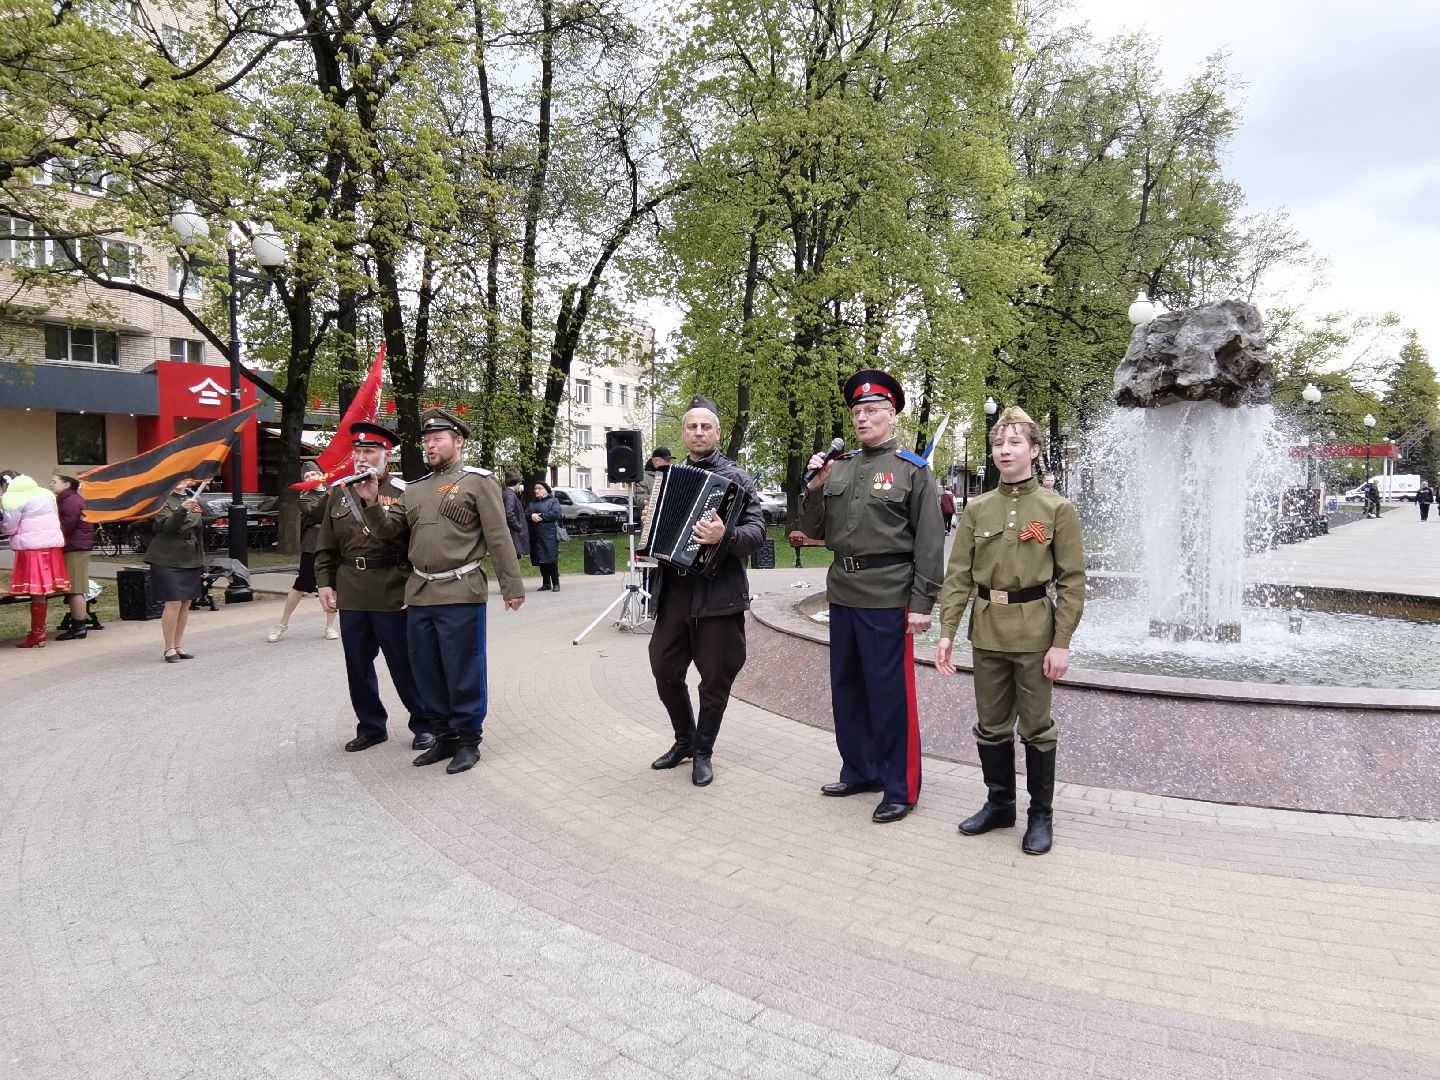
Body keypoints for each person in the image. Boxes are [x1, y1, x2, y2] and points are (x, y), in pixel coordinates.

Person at [934, 406, 1085, 856]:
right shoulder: (978, 509)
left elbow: (1072, 582)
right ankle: (1000, 803)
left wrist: (1061, 643)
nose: (1004, 450)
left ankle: (1041, 815)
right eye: (999, 443)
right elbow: (958, 575)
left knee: (1037, 728)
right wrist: (947, 631)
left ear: (1034, 450)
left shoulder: (1056, 509)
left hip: (1035, 633)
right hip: (987, 632)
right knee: (991, 725)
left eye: (1014, 442)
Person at [796, 370, 945, 823]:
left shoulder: (913, 471)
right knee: (848, 688)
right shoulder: (838, 468)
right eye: (857, 412)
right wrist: (815, 488)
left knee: (889, 695)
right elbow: (812, 530)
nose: (862, 419)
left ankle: (900, 786)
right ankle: (860, 769)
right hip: (843, 592)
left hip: (888, 594)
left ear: (891, 414)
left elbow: (930, 544)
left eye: (872, 411)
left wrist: (922, 605)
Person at [355, 408, 525, 774]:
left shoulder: (479, 482)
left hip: (460, 590)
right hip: (419, 593)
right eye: (427, 441)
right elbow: (389, 532)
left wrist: (512, 585)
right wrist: (370, 502)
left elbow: (498, 536)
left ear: (458, 442)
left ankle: (467, 740)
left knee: (462, 668)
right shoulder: (414, 490)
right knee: (426, 670)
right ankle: (443, 735)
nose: (430, 446)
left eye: (438, 440)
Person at [646, 396, 766, 787]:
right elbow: (657, 529)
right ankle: (684, 739)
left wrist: (724, 535)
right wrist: (649, 529)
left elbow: (758, 533)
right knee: (664, 668)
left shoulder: (738, 477)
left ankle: (703, 750)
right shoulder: (670, 476)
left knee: (715, 677)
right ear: (683, 433)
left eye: (706, 427)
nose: (698, 432)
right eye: (691, 426)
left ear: (717, 432)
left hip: (718, 594)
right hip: (675, 593)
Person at [315, 422, 436, 754]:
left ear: (388, 455)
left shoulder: (403, 492)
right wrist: (324, 583)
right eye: (358, 451)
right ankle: (371, 726)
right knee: (357, 663)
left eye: (370, 451)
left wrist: (415, 588)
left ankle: (424, 723)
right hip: (352, 588)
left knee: (403, 662)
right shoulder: (340, 492)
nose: (362, 458)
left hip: (392, 587)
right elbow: (325, 545)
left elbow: (415, 544)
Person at [268, 461, 338, 642]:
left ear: (320, 474)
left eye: (313, 474)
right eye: (306, 477)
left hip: (334, 542)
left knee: (333, 584)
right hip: (312, 544)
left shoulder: (336, 490)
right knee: (301, 583)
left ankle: (330, 626)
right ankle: (282, 624)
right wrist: (329, 494)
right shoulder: (305, 497)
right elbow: (316, 512)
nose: (311, 478)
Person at [1, 472, 70, 648]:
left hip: (31, 548)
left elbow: (9, 527)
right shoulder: (45, 494)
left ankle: (38, 633)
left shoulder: (11, 498)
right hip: (51, 547)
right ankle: (39, 631)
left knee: (35, 591)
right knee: (40, 592)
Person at [144, 479, 205, 662]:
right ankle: (168, 648)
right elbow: (168, 527)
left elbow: (198, 532)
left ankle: (178, 645)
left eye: (186, 477)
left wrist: (203, 563)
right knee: (173, 602)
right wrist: (182, 510)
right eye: (178, 477)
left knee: (186, 602)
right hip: (166, 557)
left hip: (189, 557)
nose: (182, 481)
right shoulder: (160, 500)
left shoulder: (193, 499)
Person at [50, 474, 95, 641]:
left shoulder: (70, 500)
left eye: (54, 481)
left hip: (76, 548)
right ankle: (78, 625)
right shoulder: (69, 498)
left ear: (67, 483)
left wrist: (51, 535)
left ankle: (78, 627)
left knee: (75, 589)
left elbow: (66, 524)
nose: (51, 484)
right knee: (74, 588)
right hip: (76, 546)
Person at [528, 481, 562, 591]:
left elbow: (555, 514)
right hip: (536, 536)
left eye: (539, 488)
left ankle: (556, 583)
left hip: (549, 535)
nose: (536, 491)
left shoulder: (553, 501)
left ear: (546, 490)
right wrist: (531, 516)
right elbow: (526, 515)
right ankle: (546, 583)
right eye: (535, 489)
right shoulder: (532, 504)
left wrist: (541, 516)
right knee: (541, 560)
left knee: (551, 560)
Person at [503, 470, 531, 562]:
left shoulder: (507, 493)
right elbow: (509, 514)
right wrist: (519, 527)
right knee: (513, 562)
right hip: (513, 534)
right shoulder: (510, 495)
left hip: (511, 533)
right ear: (517, 482)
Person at [634, 446, 673, 511]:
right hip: (651, 518)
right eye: (667, 461)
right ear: (656, 461)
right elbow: (640, 503)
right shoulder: (641, 479)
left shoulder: (671, 476)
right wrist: (659, 493)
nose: (670, 464)